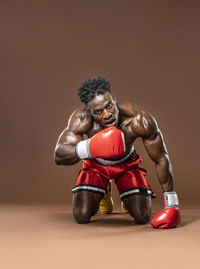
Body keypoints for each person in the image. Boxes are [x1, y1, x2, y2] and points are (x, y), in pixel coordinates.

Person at [54, 77, 181, 229]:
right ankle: (104, 190)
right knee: (81, 215)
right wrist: (89, 147)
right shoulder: (82, 118)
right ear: (90, 112)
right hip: (95, 165)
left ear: (114, 99)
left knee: (142, 216)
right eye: (99, 112)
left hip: (127, 165)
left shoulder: (138, 119)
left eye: (109, 106)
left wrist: (172, 205)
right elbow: (59, 155)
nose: (107, 115)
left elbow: (161, 158)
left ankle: (125, 194)